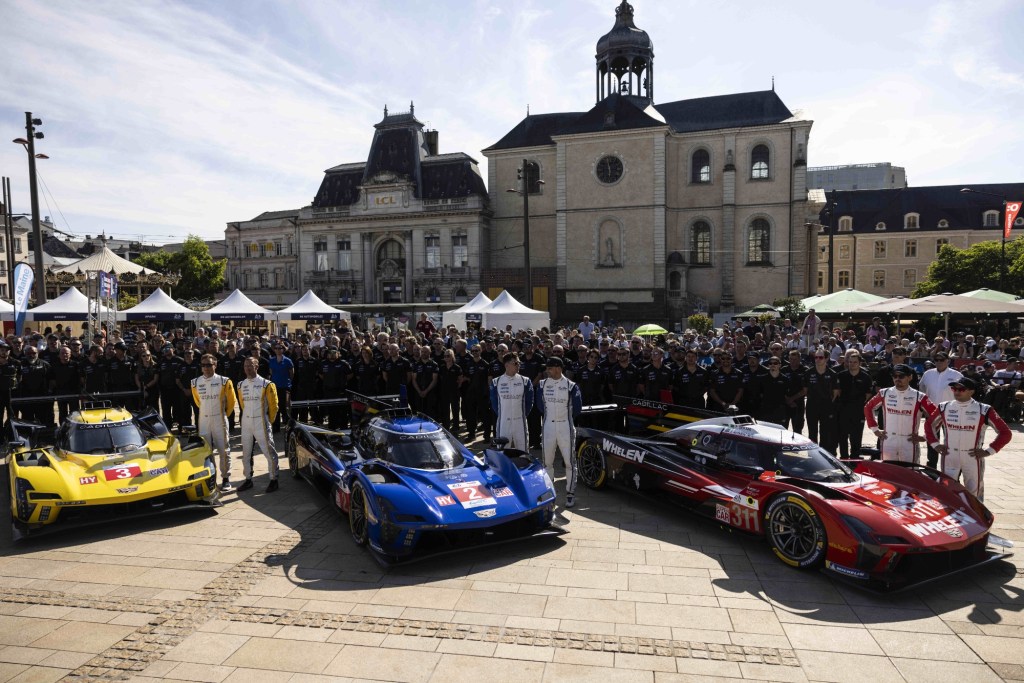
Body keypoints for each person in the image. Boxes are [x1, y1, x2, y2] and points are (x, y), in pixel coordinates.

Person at [926, 377, 1012, 501]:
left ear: (971, 392)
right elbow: (929, 425)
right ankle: (950, 516)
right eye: (954, 388)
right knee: (946, 491)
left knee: (974, 493)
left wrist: (989, 450)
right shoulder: (944, 407)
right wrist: (935, 444)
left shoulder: (984, 409)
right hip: (950, 455)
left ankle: (977, 517)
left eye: (961, 389)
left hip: (972, 457)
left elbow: (1005, 433)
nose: (956, 391)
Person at [864, 364, 937, 463]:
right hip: (888, 440)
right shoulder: (884, 393)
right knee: (888, 472)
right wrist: (875, 429)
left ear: (909, 377)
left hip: (909, 442)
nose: (897, 379)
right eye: (895, 376)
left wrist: (925, 436)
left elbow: (937, 416)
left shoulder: (919, 396)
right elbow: (868, 407)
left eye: (901, 376)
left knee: (910, 473)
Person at [536, 357, 583, 508]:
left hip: (566, 427)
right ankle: (550, 492)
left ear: (558, 368)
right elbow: (540, 405)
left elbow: (577, 408)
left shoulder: (571, 386)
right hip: (548, 426)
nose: (547, 371)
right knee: (547, 462)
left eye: (549, 368)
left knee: (569, 462)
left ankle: (570, 493)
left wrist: (564, 419)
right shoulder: (542, 384)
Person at [191, 354, 236, 490]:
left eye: (209, 365)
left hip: (220, 418)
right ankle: (211, 478)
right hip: (204, 420)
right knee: (206, 451)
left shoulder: (224, 381)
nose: (206, 368)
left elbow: (232, 402)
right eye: (203, 365)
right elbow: (198, 401)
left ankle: (226, 478)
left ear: (215, 365)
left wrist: (222, 415)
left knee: (224, 450)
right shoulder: (195, 382)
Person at [236, 356, 280, 493]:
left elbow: (274, 406)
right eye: (245, 366)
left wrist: (268, 421)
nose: (247, 368)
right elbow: (242, 404)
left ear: (256, 366)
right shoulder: (240, 385)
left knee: (268, 451)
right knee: (246, 452)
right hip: (246, 421)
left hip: (261, 420)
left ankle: (274, 479)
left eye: (250, 365)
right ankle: (248, 479)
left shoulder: (267, 384)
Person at [918, 351, 963, 468]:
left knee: (952, 439)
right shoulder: (927, 374)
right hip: (932, 413)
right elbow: (922, 391)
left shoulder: (957, 375)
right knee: (932, 439)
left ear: (948, 360)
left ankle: (951, 466)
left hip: (951, 413)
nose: (938, 362)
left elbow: (963, 393)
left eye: (941, 360)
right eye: (936, 360)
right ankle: (931, 465)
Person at [490, 352, 533, 451]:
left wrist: (522, 415)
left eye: (519, 363)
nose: (518, 365)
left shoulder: (525, 381)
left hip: (520, 421)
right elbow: (494, 402)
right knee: (502, 450)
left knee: (523, 450)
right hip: (504, 421)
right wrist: (503, 414)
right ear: (506, 365)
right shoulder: (496, 382)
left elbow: (529, 402)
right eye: (515, 363)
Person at [835, 351, 874, 459]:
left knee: (856, 437)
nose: (852, 364)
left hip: (858, 411)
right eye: (850, 362)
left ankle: (855, 459)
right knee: (842, 436)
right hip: (843, 410)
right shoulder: (841, 375)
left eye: (855, 362)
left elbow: (868, 394)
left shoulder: (866, 376)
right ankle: (844, 458)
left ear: (859, 363)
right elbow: (837, 393)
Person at [804, 350, 839, 452]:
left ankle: (823, 454)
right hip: (812, 406)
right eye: (816, 357)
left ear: (827, 358)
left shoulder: (832, 374)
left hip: (826, 407)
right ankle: (812, 454)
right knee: (812, 432)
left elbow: (835, 393)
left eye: (821, 357)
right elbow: (806, 391)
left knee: (825, 432)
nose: (818, 359)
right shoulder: (808, 372)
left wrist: (826, 402)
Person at [268, 342, 294, 432]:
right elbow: (271, 372)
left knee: (285, 408)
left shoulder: (288, 361)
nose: (278, 350)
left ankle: (287, 426)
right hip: (275, 387)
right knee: (276, 406)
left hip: (285, 386)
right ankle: (276, 427)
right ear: (274, 350)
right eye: (276, 348)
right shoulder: (271, 360)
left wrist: (288, 382)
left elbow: (291, 373)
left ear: (283, 349)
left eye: (280, 348)